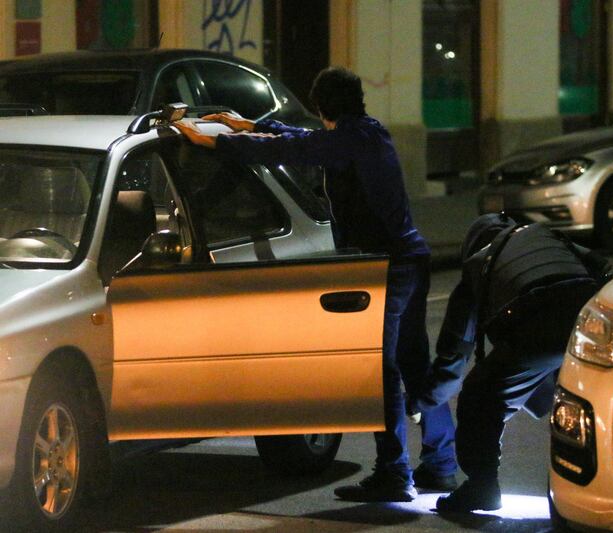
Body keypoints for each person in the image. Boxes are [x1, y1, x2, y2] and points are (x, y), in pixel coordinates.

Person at [174, 66, 457, 502]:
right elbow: (302, 137)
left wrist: (217, 141)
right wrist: (251, 125)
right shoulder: (366, 133)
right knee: (414, 364)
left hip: (384, 266)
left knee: (379, 372)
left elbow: (298, 145)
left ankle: (394, 473)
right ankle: (440, 464)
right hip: (408, 259)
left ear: (324, 106)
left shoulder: (350, 140)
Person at [405, 213, 610, 513]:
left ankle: (482, 487)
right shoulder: (546, 235)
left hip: (538, 319)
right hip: (594, 321)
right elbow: (603, 269)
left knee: (479, 396)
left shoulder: (478, 264)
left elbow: (453, 360)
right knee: (594, 405)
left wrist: (419, 403)